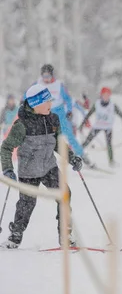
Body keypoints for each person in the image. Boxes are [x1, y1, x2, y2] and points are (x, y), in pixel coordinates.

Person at [1, 84, 83, 249]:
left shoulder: (52, 119)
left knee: (64, 194)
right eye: (47, 102)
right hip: (29, 171)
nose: (50, 105)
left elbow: (58, 143)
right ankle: (15, 235)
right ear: (35, 104)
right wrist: (8, 169)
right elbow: (6, 147)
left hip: (48, 167)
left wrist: (71, 157)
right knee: (27, 204)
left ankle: (65, 235)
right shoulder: (22, 125)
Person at [32, 64, 88, 161]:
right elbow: (27, 95)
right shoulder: (38, 83)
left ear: (52, 75)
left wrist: (69, 111)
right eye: (44, 76)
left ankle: (81, 154)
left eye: (48, 76)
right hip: (45, 113)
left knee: (68, 134)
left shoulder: (59, 85)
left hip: (59, 113)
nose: (46, 79)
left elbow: (68, 99)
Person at [79, 87, 122, 167]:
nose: (106, 97)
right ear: (101, 95)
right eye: (104, 95)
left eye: (107, 95)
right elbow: (88, 115)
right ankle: (77, 155)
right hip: (97, 126)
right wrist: (82, 125)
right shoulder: (97, 104)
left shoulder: (113, 106)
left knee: (109, 144)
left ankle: (111, 161)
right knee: (87, 141)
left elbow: (121, 115)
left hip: (108, 128)